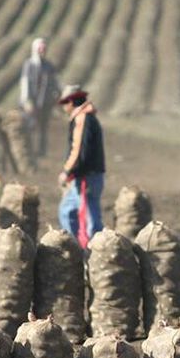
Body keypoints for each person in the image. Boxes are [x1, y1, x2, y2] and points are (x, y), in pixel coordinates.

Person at [57, 84, 104, 249]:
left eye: (65, 103)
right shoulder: (86, 116)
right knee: (67, 211)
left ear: (71, 101)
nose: (63, 107)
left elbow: (78, 150)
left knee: (90, 219)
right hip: (88, 175)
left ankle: (92, 253)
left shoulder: (82, 118)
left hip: (86, 177)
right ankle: (78, 250)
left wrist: (67, 172)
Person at [19, 37, 60, 157]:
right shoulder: (29, 65)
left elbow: (55, 83)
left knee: (43, 128)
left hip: (45, 102)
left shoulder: (49, 66)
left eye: (44, 49)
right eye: (40, 49)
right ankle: (29, 151)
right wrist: (26, 100)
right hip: (31, 102)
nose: (42, 51)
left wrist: (57, 96)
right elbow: (25, 83)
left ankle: (42, 152)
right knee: (30, 126)